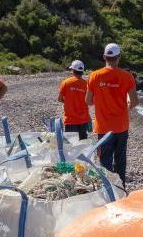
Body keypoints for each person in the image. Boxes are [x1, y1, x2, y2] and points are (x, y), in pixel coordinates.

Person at [86, 43, 137, 183]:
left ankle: (108, 188)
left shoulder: (94, 76)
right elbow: (134, 102)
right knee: (120, 157)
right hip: (121, 125)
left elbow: (88, 101)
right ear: (119, 57)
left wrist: (103, 101)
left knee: (105, 159)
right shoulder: (127, 76)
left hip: (103, 126)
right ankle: (121, 186)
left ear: (104, 57)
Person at [57, 60, 90, 140]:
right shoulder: (87, 84)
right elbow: (89, 101)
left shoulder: (65, 82)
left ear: (72, 70)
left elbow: (60, 99)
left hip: (70, 120)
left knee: (71, 147)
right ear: (82, 71)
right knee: (83, 145)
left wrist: (69, 102)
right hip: (83, 119)